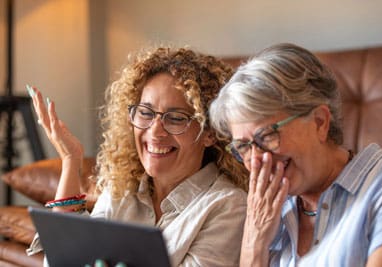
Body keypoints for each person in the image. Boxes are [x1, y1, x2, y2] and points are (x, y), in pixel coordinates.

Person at [26, 46, 249, 266]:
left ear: (209, 132)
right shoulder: (121, 189)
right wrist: (70, 160)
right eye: (145, 113)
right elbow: (64, 261)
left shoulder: (227, 205)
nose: (155, 132)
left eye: (176, 118)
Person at [209, 43, 382, 267]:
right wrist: (254, 243)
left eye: (267, 135)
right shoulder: (263, 213)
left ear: (320, 122)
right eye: (243, 146)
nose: (257, 159)